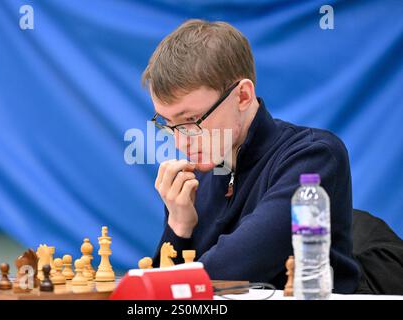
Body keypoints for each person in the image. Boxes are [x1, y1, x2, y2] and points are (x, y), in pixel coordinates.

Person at [142, 19, 360, 293]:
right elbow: (160, 299)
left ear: (243, 96)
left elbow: (233, 270)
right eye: (168, 123)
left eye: (192, 119)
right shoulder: (194, 176)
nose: (180, 140)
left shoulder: (313, 156)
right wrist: (178, 224)